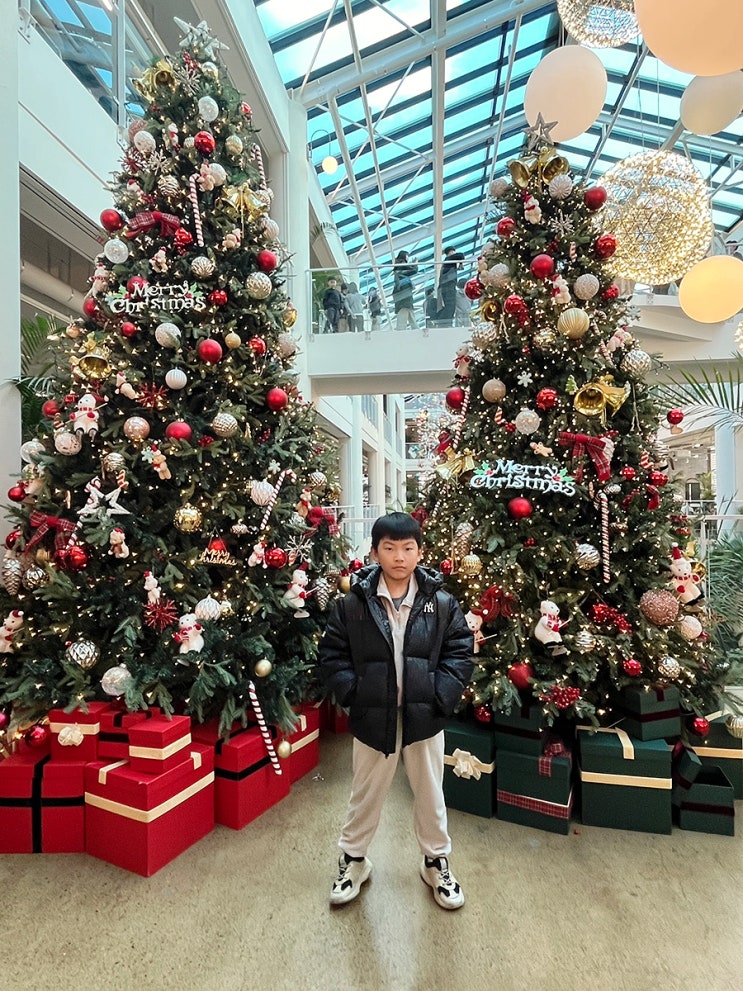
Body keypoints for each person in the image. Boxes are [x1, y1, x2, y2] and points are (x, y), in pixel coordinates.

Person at [319, 512, 474, 911]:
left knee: (430, 791)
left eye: (407, 548)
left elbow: (460, 651)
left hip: (425, 717)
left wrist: (440, 696)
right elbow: (333, 655)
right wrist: (355, 695)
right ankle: (354, 860)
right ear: (375, 552)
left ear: (420, 552)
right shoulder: (352, 605)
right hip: (373, 716)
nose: (399, 557)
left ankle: (435, 861)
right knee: (365, 792)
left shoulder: (441, 604)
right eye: (389, 548)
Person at [392, 251, 418, 331]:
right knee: (405, 309)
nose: (408, 258)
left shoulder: (398, 265)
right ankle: (405, 330)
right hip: (404, 293)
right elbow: (413, 271)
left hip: (401, 293)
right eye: (407, 256)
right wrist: (415, 264)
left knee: (408, 310)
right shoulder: (402, 264)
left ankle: (414, 328)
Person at [435, 247, 461, 325]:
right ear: (450, 253)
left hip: (444, 287)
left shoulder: (446, 263)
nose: (454, 253)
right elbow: (461, 255)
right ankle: (445, 323)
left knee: (448, 306)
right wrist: (460, 262)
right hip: (448, 286)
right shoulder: (449, 260)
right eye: (453, 252)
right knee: (450, 306)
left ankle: (445, 323)